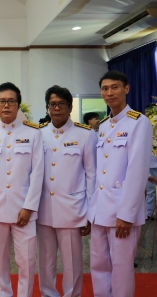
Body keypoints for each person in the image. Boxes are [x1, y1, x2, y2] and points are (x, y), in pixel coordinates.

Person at [0, 82, 44, 297]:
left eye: (11, 101)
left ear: (18, 105)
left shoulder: (33, 133)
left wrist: (30, 207)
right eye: (2, 101)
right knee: (0, 262)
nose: (6, 105)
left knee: (27, 262)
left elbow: (37, 173)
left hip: (24, 210)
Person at [88, 70, 152, 297]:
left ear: (126, 89)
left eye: (115, 87)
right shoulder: (104, 126)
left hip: (121, 212)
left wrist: (126, 214)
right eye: (105, 88)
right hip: (100, 209)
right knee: (98, 265)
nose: (109, 92)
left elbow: (137, 171)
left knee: (122, 268)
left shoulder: (139, 122)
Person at [37, 85, 96, 297]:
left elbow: (92, 175)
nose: (57, 108)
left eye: (62, 104)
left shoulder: (85, 135)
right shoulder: (39, 134)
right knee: (46, 260)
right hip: (43, 209)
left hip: (73, 209)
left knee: (72, 261)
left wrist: (91, 212)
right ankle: (48, 294)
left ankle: (73, 294)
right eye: (53, 104)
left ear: (70, 107)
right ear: (47, 108)